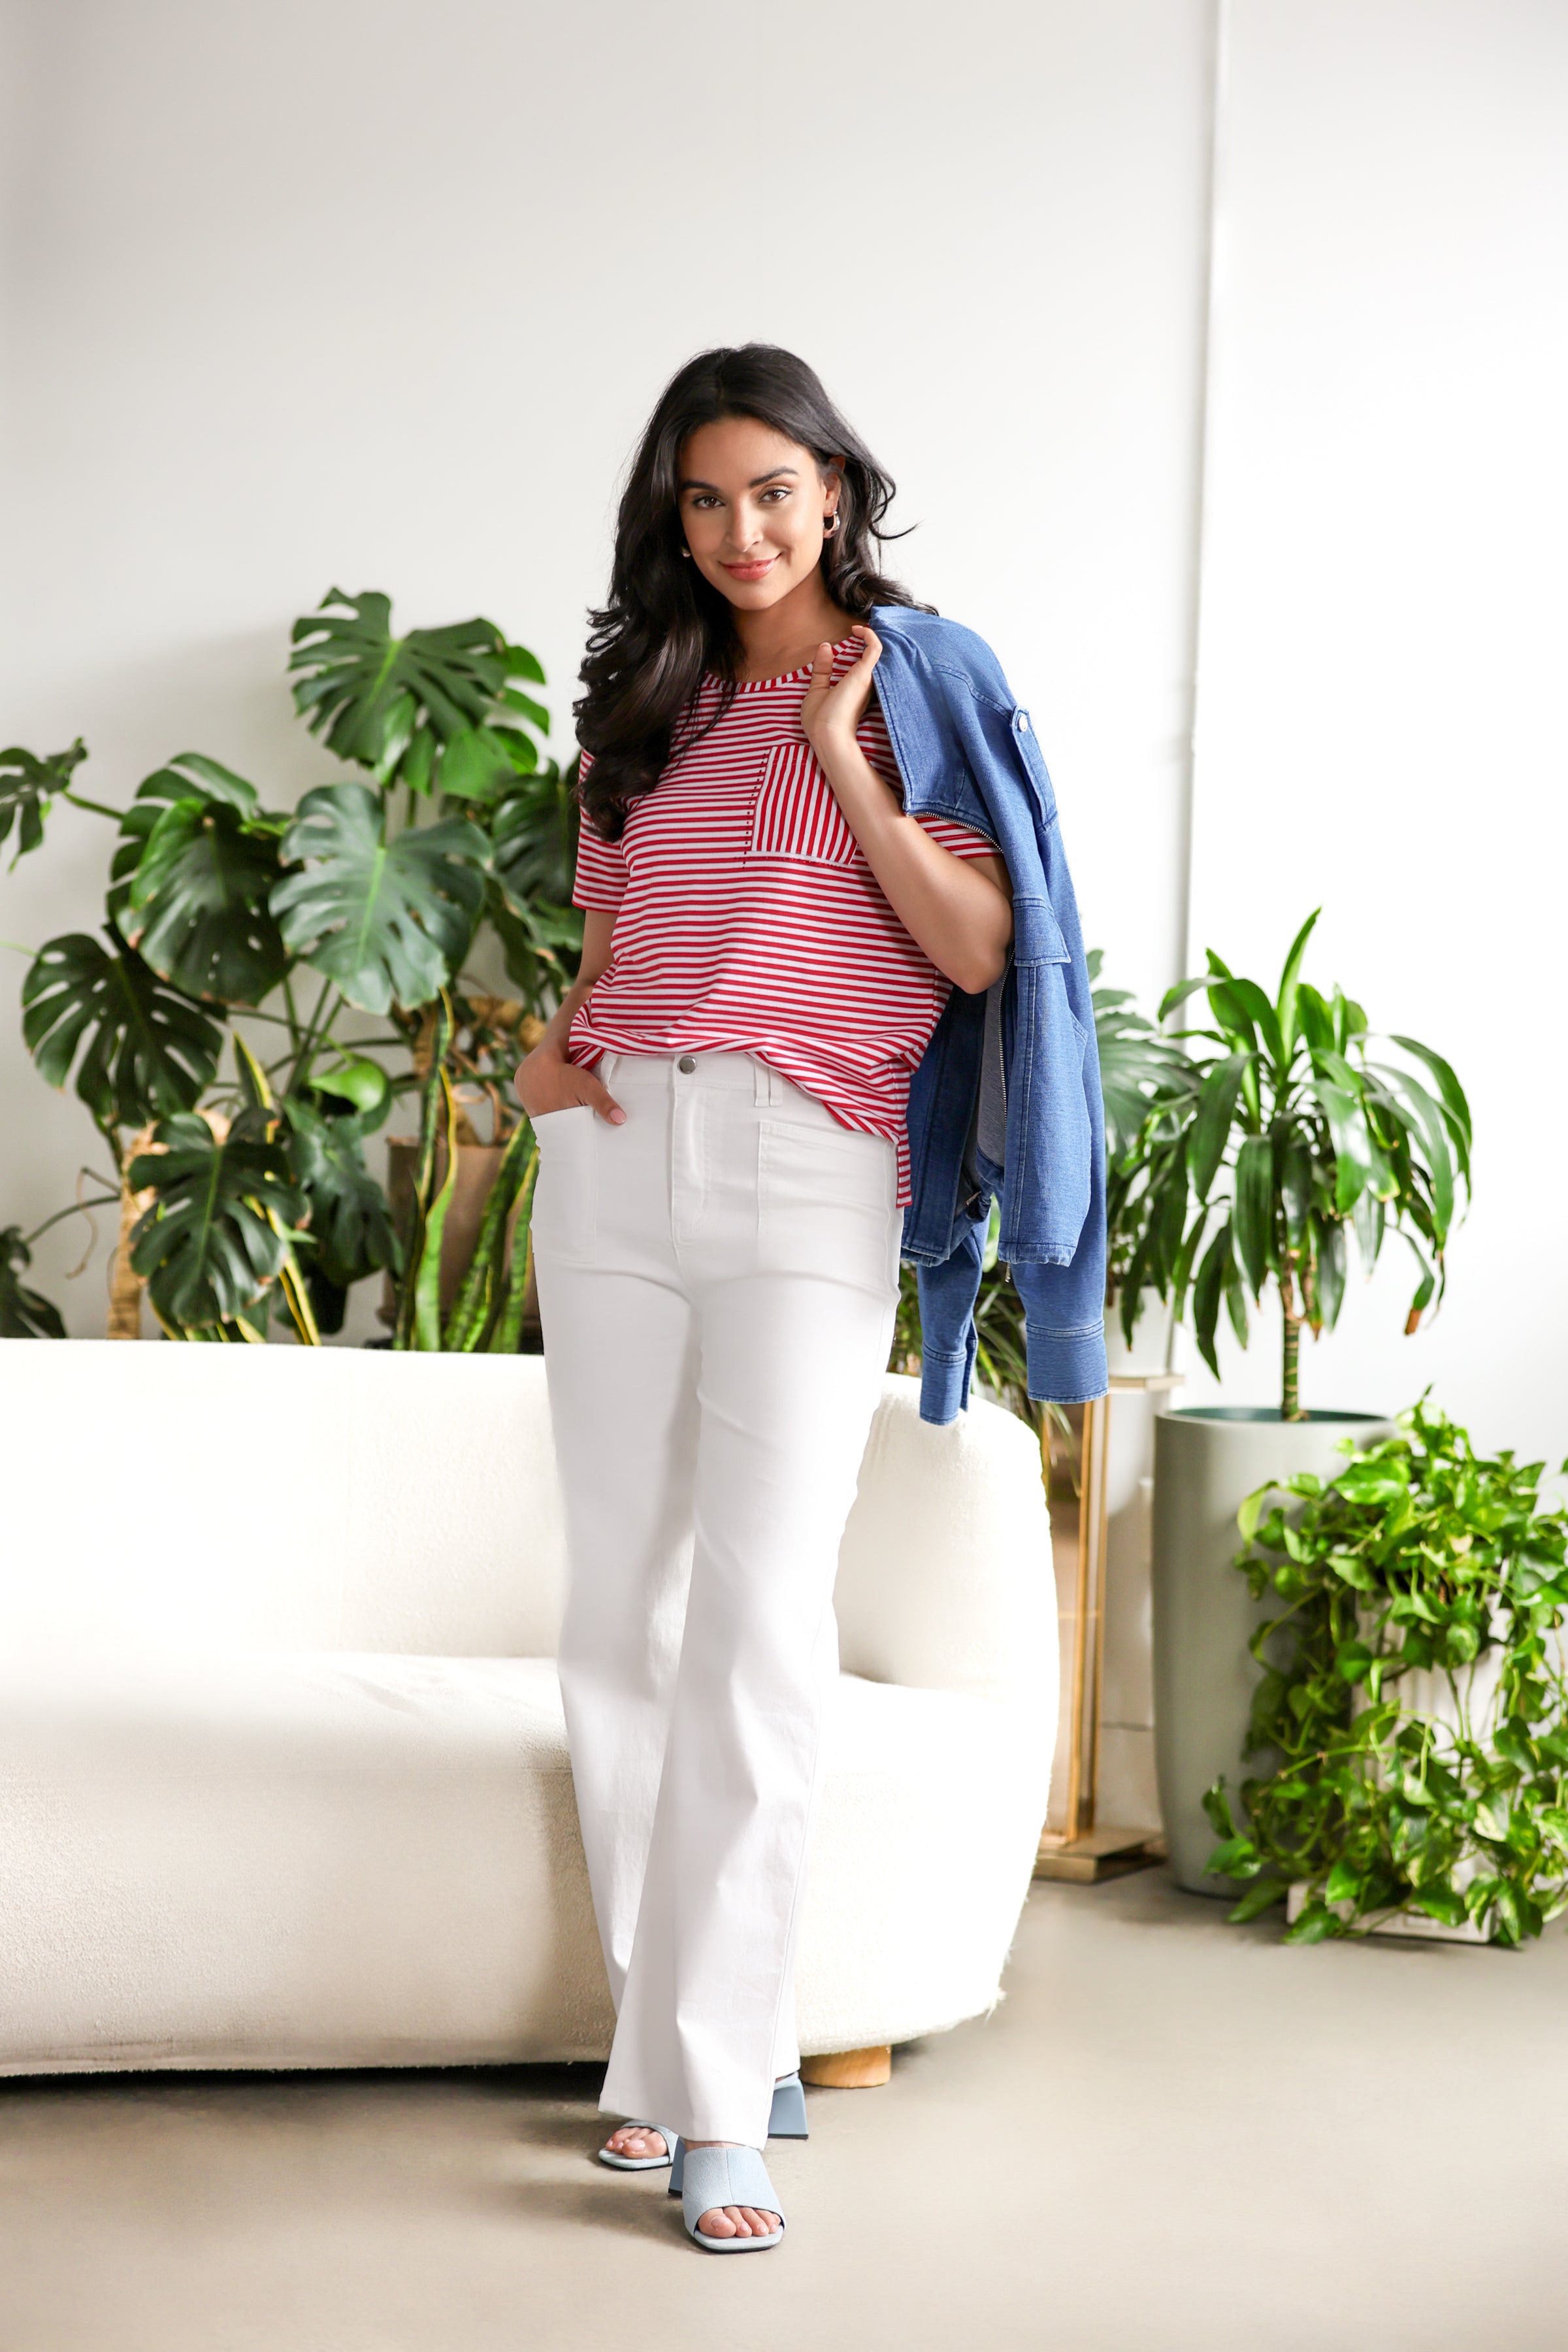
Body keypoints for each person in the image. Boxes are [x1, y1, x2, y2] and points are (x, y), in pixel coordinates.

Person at [516, 345, 1030, 2253]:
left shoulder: (917, 686)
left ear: (835, 486)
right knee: (622, 1613)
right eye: (705, 499)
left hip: (810, 1167)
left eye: (775, 491)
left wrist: (838, 765)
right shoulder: (635, 708)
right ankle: (680, 2053)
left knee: (758, 1614)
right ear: (676, 511)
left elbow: (977, 947)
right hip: (622, 1159)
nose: (742, 532)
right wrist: (552, 1077)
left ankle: (720, 2091)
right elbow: (608, 947)